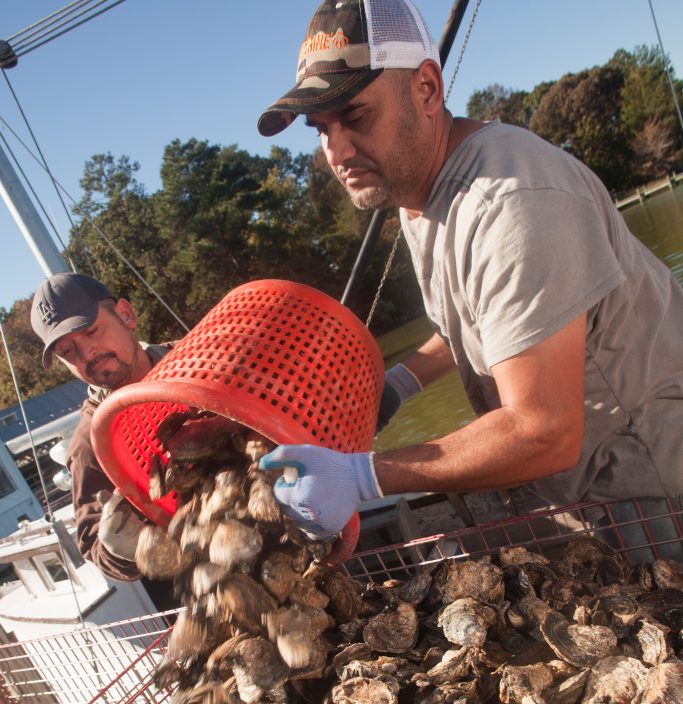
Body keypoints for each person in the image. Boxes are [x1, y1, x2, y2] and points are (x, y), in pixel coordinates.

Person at [256, 0, 683, 558]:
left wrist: (364, 476)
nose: (335, 151)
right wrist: (399, 383)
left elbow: (544, 430)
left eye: (355, 117)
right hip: (587, 487)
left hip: (657, 486)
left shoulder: (511, 204)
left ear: (427, 89)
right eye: (321, 129)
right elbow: (484, 322)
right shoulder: (420, 194)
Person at [30, 272, 174, 596]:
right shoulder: (91, 444)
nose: (86, 355)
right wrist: (118, 547)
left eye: (91, 331)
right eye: (68, 352)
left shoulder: (200, 355)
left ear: (126, 314)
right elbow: (93, 544)